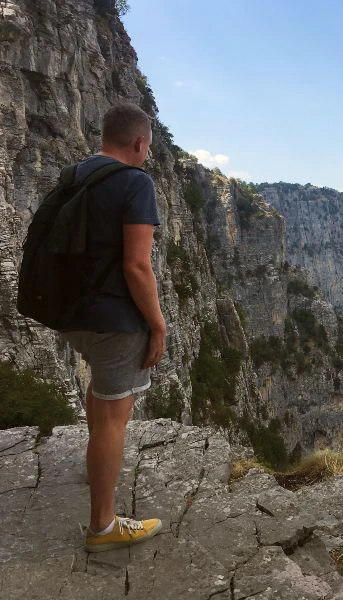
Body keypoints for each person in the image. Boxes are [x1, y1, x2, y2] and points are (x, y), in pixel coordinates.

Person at [60, 103, 166, 552]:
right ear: (139, 143)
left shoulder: (75, 175)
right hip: (113, 320)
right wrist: (157, 326)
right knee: (113, 419)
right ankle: (102, 526)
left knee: (100, 395)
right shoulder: (135, 182)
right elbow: (137, 265)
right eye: (147, 147)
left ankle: (95, 462)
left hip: (72, 315)